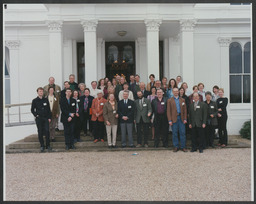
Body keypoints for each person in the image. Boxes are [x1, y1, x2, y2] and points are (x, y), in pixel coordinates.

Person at [31, 87, 52, 152]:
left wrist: (49, 117)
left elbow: (49, 109)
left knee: (47, 131)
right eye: (40, 91)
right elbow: (32, 109)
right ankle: (42, 146)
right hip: (39, 118)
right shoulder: (34, 100)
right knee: (40, 132)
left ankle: (48, 145)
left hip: (45, 118)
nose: (41, 92)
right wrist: (36, 115)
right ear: (37, 92)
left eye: (42, 91)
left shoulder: (45, 99)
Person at [167, 88, 188, 152]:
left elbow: (185, 110)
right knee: (175, 133)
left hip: (181, 118)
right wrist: (169, 120)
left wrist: (185, 118)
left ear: (178, 92)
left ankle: (183, 146)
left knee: (182, 133)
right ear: (172, 92)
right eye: (174, 91)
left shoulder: (182, 100)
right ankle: (176, 146)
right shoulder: (169, 100)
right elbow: (168, 111)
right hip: (174, 119)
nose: (176, 92)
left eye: (177, 91)